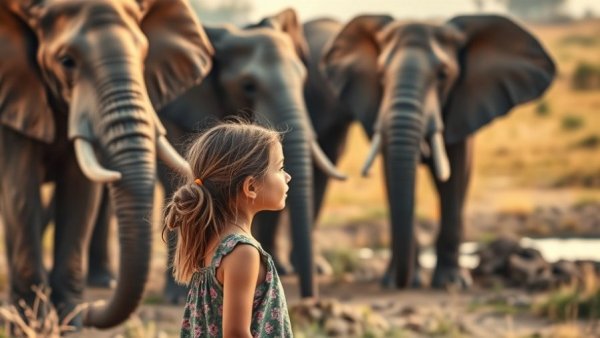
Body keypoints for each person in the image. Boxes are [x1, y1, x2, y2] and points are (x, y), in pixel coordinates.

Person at [163, 119, 294, 337]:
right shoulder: (243, 252)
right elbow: (236, 334)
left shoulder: (212, 242)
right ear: (251, 187)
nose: (287, 176)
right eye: (280, 168)